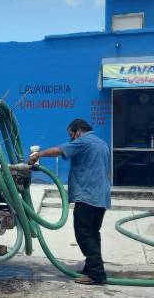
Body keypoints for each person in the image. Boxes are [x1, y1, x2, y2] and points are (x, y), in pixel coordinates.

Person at [28, 119, 111, 285]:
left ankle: (96, 274)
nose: (71, 138)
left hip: (87, 197)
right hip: (101, 198)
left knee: (84, 235)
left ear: (78, 131)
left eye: (71, 134)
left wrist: (38, 155)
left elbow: (59, 150)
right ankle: (91, 268)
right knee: (93, 234)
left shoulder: (83, 141)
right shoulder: (101, 144)